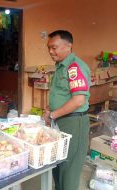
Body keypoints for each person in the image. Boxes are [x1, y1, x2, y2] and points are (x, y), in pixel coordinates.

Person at [43, 30, 91, 190]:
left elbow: (78, 100)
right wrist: (50, 110)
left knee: (69, 170)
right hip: (61, 122)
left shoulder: (74, 67)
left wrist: (53, 114)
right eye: (49, 47)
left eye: (54, 47)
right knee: (58, 165)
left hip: (73, 123)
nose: (50, 51)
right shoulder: (61, 67)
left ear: (68, 46)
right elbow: (61, 94)